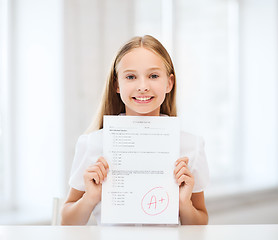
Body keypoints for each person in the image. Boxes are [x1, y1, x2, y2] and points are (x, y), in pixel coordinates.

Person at [61, 35, 209, 225]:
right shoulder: (92, 144)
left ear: (169, 83)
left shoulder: (191, 146)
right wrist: (89, 198)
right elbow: (67, 223)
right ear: (117, 84)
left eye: (153, 76)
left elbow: (200, 223)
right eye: (131, 77)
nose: (142, 87)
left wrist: (183, 203)